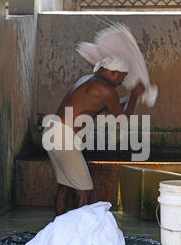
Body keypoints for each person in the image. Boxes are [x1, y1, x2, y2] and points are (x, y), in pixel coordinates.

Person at [43, 54, 145, 216]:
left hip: (52, 132)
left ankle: (59, 228)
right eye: (122, 78)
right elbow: (122, 119)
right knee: (84, 189)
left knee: (66, 186)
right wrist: (134, 95)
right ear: (114, 73)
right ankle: (80, 233)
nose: (121, 83)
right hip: (64, 137)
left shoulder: (89, 80)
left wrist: (132, 97)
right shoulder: (106, 90)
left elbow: (113, 106)